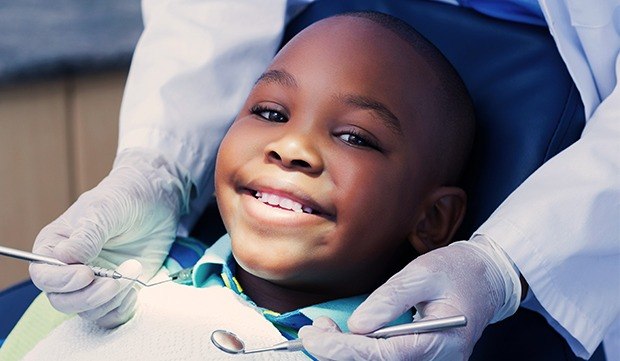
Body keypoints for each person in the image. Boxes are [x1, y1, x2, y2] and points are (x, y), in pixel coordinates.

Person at [28, 0, 619, 360]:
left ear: (435, 220)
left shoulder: (399, 348)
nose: (292, 147)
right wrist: (155, 169)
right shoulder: (107, 288)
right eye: (269, 113)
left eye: (356, 138)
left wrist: (504, 264)